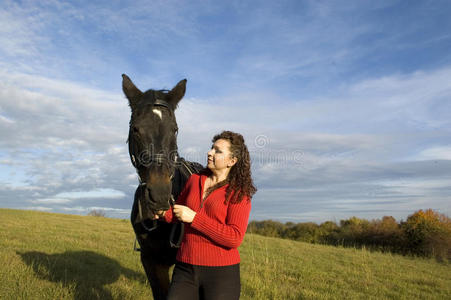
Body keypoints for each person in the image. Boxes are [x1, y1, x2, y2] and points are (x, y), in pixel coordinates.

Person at [155, 130, 257, 300]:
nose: (210, 153)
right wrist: (161, 214)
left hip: (221, 274)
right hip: (185, 267)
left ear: (232, 161)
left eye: (218, 151)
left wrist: (195, 218)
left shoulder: (239, 192)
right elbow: (179, 210)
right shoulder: (195, 179)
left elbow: (234, 237)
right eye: (211, 148)